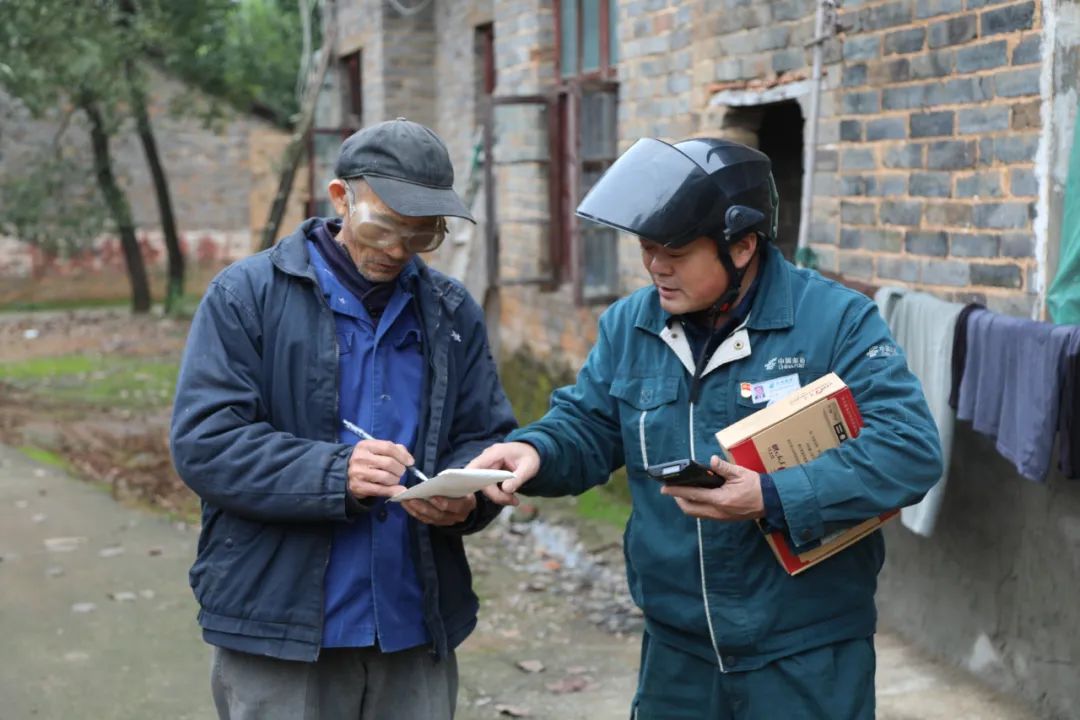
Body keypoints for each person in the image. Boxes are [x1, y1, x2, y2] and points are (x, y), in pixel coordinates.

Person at [470, 137, 942, 719]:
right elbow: (589, 424)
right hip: (678, 654)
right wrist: (534, 450)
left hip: (806, 652)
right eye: (646, 247)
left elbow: (909, 449)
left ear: (742, 246)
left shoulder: (836, 321)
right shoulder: (630, 325)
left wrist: (770, 495)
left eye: (674, 250)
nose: (654, 266)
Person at [170, 118, 516, 720]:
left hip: (413, 621)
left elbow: (485, 433)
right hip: (280, 626)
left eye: (422, 235)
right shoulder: (247, 295)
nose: (396, 249)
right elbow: (206, 442)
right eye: (383, 226)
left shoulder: (451, 309)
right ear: (340, 198)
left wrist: (468, 496)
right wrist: (336, 473)